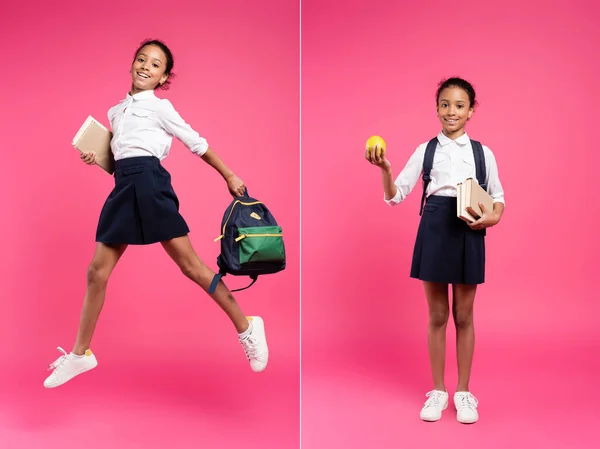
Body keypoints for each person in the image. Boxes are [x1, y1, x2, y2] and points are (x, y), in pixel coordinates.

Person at [45, 39, 269, 389]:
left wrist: (229, 174)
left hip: (151, 185)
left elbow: (197, 143)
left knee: (191, 266)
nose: (145, 67)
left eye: (155, 64)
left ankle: (246, 325)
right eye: (141, 59)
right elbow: (121, 160)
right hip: (123, 188)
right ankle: (80, 355)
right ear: (132, 64)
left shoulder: (161, 108)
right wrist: (98, 157)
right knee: (96, 272)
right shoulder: (115, 112)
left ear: (164, 76)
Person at [365, 77, 505, 424]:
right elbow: (395, 196)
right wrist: (385, 170)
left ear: (471, 111)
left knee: (465, 316)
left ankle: (464, 393)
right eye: (445, 104)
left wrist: (488, 219)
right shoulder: (426, 150)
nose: (451, 111)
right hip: (435, 226)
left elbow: (499, 201)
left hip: (468, 229)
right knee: (438, 315)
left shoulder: (482, 153)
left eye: (459, 105)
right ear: (437, 108)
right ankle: (438, 391)